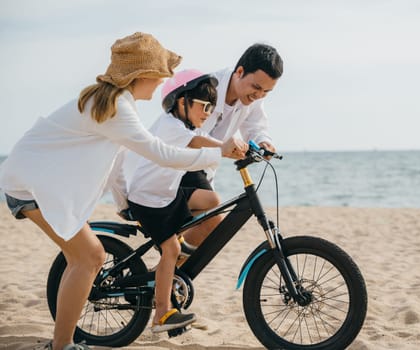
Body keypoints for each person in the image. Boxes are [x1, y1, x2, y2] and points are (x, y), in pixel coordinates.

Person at [0, 32, 242, 350]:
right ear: (143, 75)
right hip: (32, 185)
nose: (162, 83)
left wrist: (122, 200)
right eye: (159, 75)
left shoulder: (112, 103)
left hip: (31, 180)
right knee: (89, 258)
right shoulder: (116, 108)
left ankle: (61, 344)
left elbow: (116, 162)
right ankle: (61, 346)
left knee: (88, 257)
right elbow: (161, 154)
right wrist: (218, 152)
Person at [121, 69, 247, 333]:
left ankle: (181, 245)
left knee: (211, 199)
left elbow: (200, 142)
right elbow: (200, 142)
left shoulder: (181, 126)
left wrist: (237, 149)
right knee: (171, 250)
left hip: (166, 195)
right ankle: (162, 315)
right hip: (149, 200)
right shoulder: (171, 126)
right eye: (204, 106)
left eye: (212, 107)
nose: (208, 113)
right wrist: (224, 146)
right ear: (182, 102)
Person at [182, 43, 283, 187]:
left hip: (204, 172)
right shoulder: (205, 88)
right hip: (176, 170)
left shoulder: (252, 98)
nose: (260, 95)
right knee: (210, 203)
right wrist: (223, 147)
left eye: (266, 91)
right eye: (256, 87)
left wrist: (263, 142)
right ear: (240, 72)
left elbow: (256, 127)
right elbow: (183, 135)